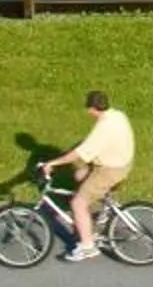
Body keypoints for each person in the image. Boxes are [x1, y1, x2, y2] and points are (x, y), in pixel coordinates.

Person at [45, 89, 135, 262]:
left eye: (88, 108)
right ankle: (99, 212)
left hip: (110, 169)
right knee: (79, 176)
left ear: (92, 109)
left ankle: (87, 247)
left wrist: (52, 163)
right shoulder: (117, 115)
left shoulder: (103, 128)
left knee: (77, 203)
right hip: (120, 160)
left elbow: (79, 153)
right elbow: (90, 145)